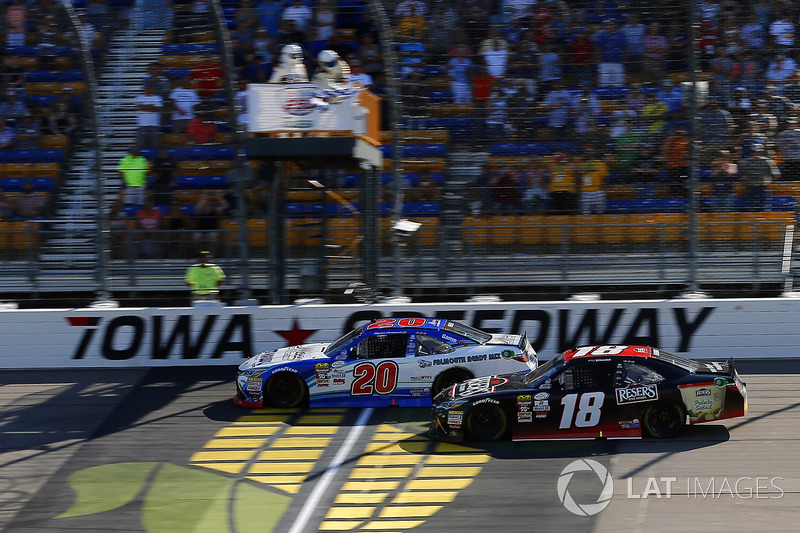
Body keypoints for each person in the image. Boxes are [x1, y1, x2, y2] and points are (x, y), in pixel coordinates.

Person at [739, 143, 779, 211]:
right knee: (751, 207)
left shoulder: (768, 161)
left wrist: (770, 183)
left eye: (758, 152)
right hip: (750, 187)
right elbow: (742, 175)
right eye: (754, 152)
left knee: (765, 207)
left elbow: (776, 174)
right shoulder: (746, 162)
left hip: (763, 187)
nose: (756, 153)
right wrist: (744, 183)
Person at [192, 192, 229, 256]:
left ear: (211, 202)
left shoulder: (215, 210)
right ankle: (199, 254)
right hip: (201, 230)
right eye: (206, 200)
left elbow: (226, 206)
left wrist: (219, 197)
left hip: (212, 230)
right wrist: (204, 196)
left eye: (209, 201)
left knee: (213, 237)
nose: (207, 202)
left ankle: (211, 255)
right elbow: (197, 207)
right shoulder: (200, 210)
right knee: (195, 237)